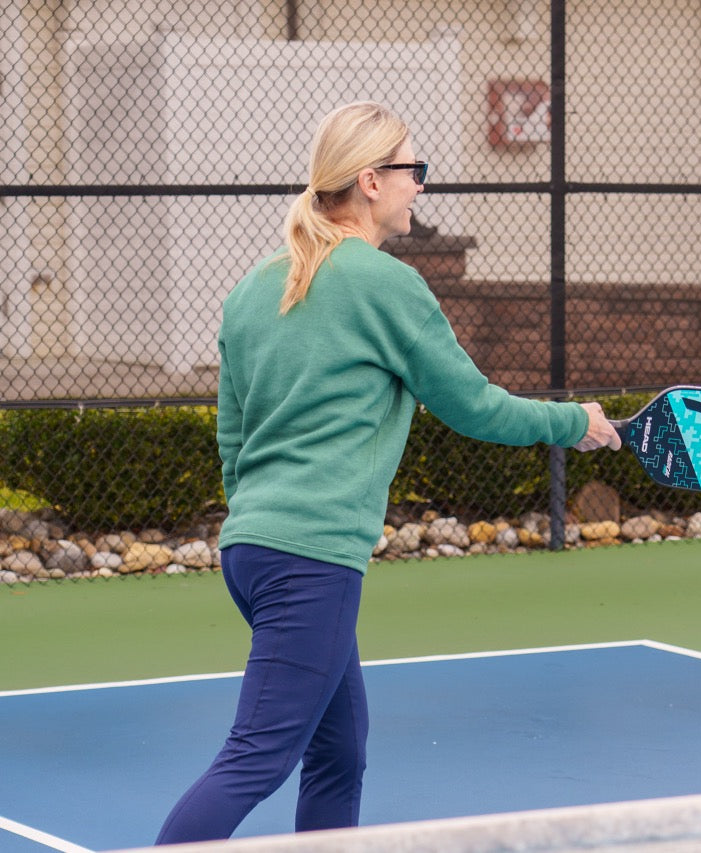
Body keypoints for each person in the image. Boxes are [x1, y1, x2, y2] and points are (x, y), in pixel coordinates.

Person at [155, 101, 620, 843]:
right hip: (311, 558)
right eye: (413, 171)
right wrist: (576, 422)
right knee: (257, 756)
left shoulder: (251, 291)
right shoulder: (386, 285)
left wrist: (260, 520)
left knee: (339, 749)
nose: (421, 188)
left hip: (252, 551)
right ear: (370, 180)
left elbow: (231, 435)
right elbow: (474, 406)